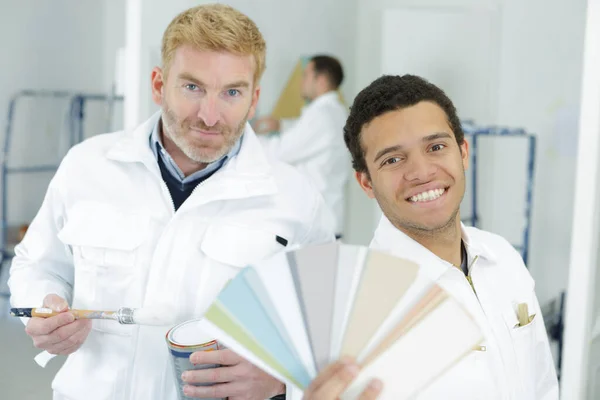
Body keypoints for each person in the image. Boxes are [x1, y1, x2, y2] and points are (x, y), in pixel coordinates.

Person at [8, 4, 335, 400]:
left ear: (254, 99)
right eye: (192, 87)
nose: (210, 116)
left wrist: (282, 381)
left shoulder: (296, 199)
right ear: (159, 85)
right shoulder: (87, 166)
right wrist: (44, 306)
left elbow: (327, 329)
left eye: (232, 92)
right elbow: (36, 264)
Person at [303, 75, 559, 399]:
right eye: (393, 159)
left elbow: (544, 386)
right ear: (366, 182)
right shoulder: (346, 317)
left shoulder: (503, 257)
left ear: (463, 152)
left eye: (436, 147)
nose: (422, 172)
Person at [253, 55, 350, 237]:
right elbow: (307, 136)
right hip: (326, 220)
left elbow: (281, 151)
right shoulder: (336, 112)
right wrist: (281, 124)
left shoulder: (321, 116)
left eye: (306, 75)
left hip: (315, 225)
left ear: (320, 80)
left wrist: (244, 140)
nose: (301, 82)